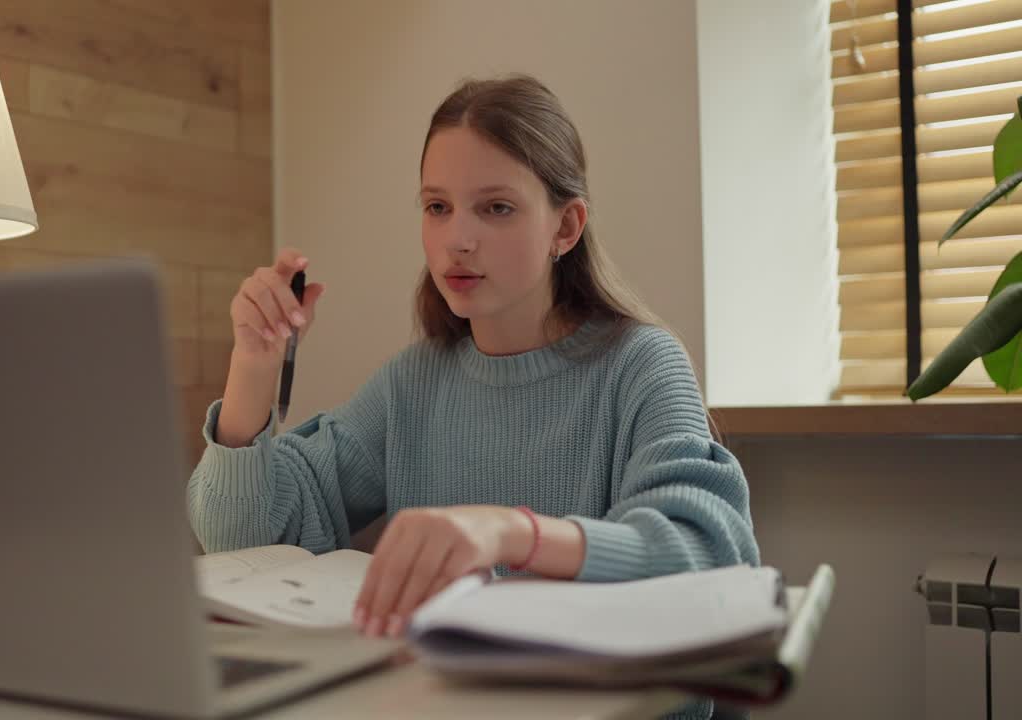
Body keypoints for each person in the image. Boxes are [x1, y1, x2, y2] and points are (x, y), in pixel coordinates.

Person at [188, 75, 759, 717]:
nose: (458, 239)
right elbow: (244, 538)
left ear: (565, 227)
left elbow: (712, 559)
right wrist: (254, 366)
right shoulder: (415, 382)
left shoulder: (642, 366)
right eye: (437, 207)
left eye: (496, 208)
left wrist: (511, 532)